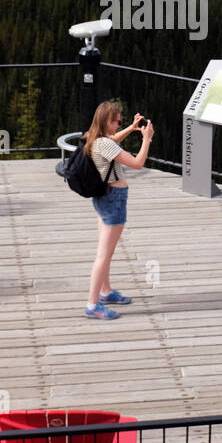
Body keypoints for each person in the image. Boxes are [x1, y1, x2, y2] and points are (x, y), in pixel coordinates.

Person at [80, 101, 154, 321]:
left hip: (103, 198)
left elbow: (111, 141)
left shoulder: (93, 138)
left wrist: (131, 129)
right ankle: (92, 305)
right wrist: (146, 138)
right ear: (107, 121)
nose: (118, 124)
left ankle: (105, 292)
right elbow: (138, 163)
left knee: (106, 252)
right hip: (115, 200)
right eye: (117, 121)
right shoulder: (106, 144)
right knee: (103, 255)